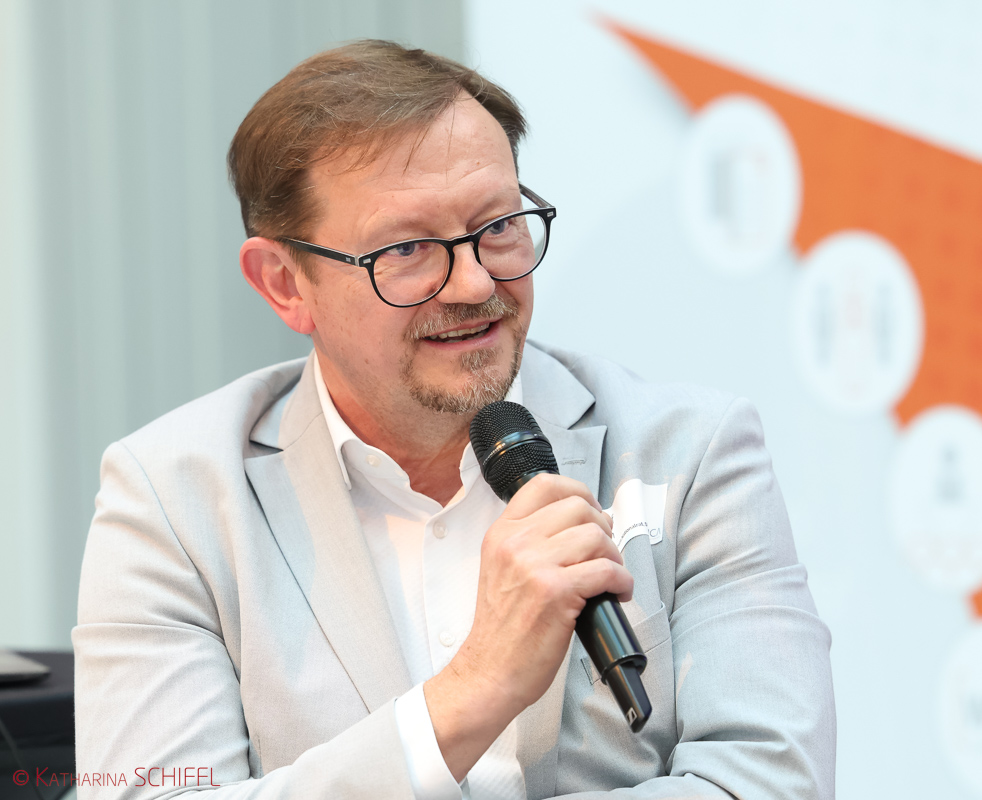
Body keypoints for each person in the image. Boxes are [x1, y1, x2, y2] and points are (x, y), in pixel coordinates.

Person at [73, 40, 836, 799]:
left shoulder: (691, 453)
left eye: (498, 226)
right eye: (408, 248)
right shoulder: (173, 499)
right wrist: (473, 690)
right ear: (284, 284)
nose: (474, 284)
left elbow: (770, 783)